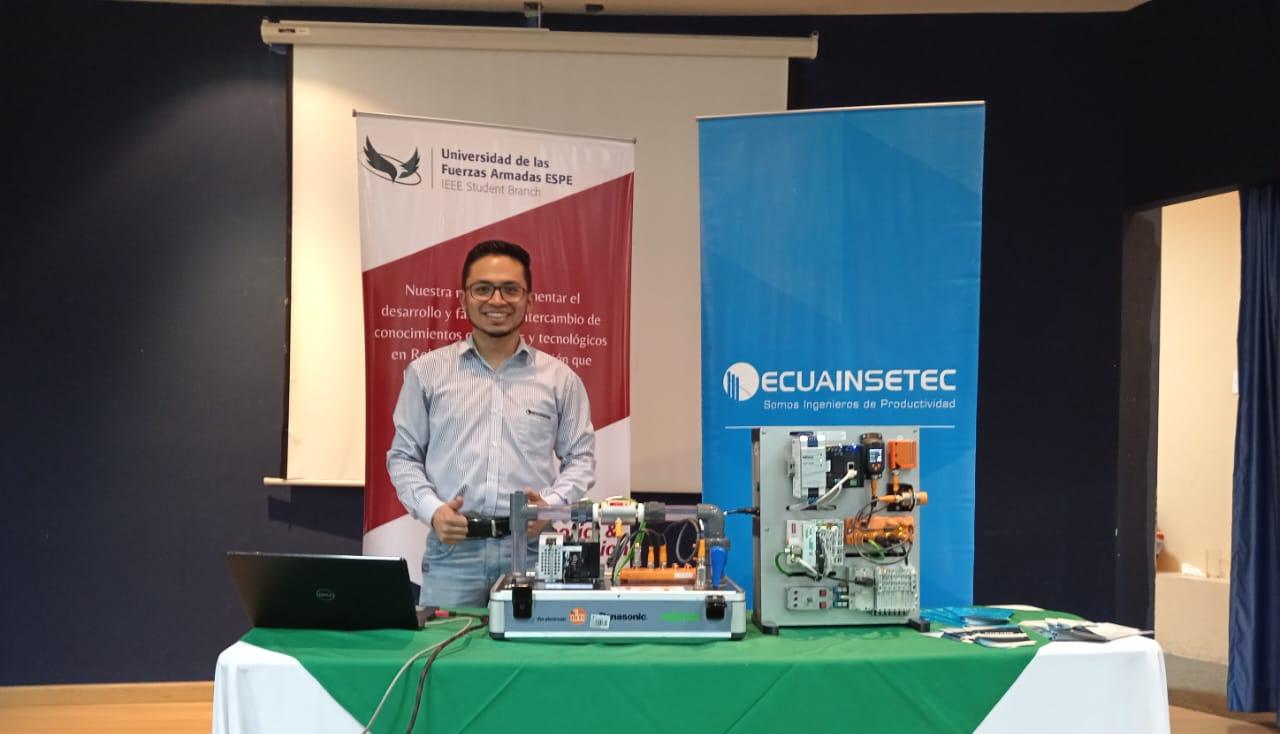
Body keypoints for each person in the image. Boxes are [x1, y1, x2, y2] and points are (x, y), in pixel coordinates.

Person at [387, 239, 596, 607]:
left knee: (531, 646)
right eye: (482, 289)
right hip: (454, 553)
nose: (497, 300)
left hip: (531, 551)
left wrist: (549, 505)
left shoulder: (560, 380)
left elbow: (581, 459)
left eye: (510, 289)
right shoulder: (427, 373)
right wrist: (433, 510)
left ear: (529, 301)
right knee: (447, 645)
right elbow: (403, 457)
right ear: (463, 299)